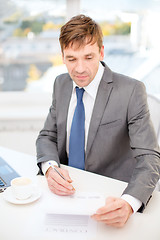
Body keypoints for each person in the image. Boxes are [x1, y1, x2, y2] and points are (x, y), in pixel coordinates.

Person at [36, 14, 160, 228]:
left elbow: (150, 158)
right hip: (65, 196)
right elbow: (48, 135)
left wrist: (129, 203)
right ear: (63, 56)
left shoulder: (131, 91)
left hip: (112, 195)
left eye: (89, 57)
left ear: (101, 52)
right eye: (71, 59)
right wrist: (50, 168)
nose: (80, 69)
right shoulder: (61, 84)